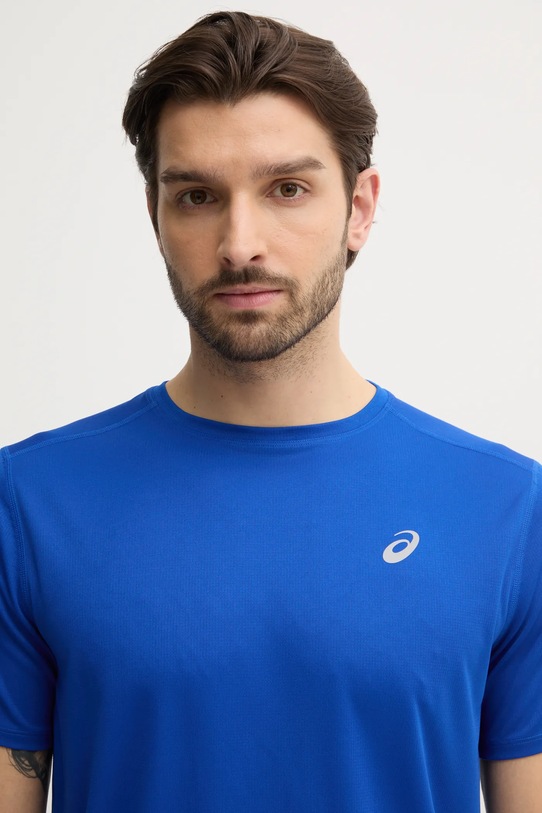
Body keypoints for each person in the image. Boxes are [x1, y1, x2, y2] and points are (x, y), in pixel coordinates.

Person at [0, 10, 540, 812]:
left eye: (287, 189)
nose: (239, 243)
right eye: (196, 196)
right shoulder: (28, 503)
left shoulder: (509, 509)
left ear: (360, 208)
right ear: (155, 216)